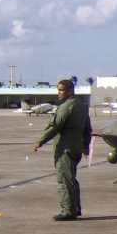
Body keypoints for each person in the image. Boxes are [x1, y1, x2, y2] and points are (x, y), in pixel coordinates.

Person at [33, 79, 92, 221]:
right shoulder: (81, 106)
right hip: (76, 147)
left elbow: (55, 126)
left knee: (64, 179)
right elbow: (87, 127)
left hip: (65, 148)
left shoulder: (66, 107)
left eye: (61, 90)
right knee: (71, 179)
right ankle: (75, 208)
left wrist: (39, 142)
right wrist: (85, 145)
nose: (59, 93)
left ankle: (68, 211)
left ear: (69, 91)